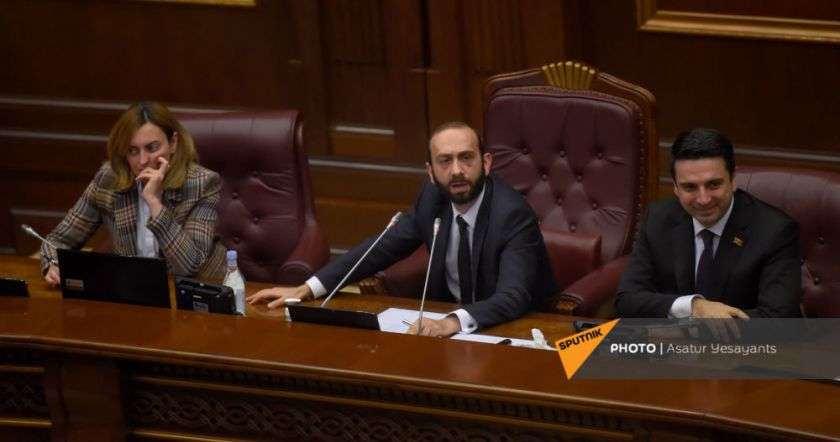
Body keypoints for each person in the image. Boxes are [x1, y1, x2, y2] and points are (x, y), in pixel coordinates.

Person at [248, 122, 556, 336]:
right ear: (430, 172)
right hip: (450, 332)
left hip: (519, 329)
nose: (457, 171)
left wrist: (451, 322)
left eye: (466, 158)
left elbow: (513, 296)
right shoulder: (432, 199)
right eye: (445, 161)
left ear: (486, 163)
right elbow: (381, 248)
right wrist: (308, 288)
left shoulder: (511, 214)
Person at [616, 128, 801, 318]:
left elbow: (778, 318)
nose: (703, 199)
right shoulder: (658, 219)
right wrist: (693, 307)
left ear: (733, 180)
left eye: (713, 184)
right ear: (675, 188)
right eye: (690, 187)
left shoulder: (776, 231)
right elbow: (627, 299)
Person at [41, 102, 226, 285]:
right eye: (133, 151)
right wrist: (53, 263)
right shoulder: (109, 179)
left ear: (173, 143)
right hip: (136, 288)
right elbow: (58, 240)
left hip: (199, 290)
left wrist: (154, 202)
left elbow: (190, 266)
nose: (143, 161)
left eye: (152, 148)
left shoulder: (202, 184)